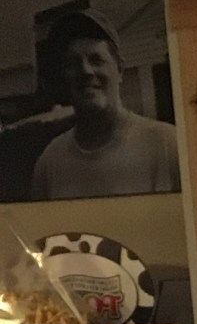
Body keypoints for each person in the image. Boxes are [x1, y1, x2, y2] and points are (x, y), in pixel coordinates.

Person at [26, 11, 180, 200]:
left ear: (120, 70)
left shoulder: (168, 146)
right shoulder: (50, 163)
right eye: (73, 63)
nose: (86, 71)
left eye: (96, 60)